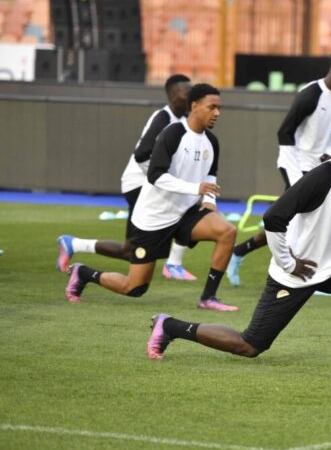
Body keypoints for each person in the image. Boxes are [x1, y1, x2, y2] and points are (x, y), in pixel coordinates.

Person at [146, 123, 331, 371]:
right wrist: (288, 262)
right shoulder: (322, 177)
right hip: (296, 273)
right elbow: (273, 218)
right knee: (250, 345)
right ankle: (170, 326)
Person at [64, 84, 238, 311]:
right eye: (212, 107)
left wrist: (209, 201)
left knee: (227, 232)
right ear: (194, 106)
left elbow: (211, 176)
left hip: (185, 213)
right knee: (134, 287)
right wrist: (196, 189)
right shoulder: (173, 133)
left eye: (219, 108)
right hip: (154, 218)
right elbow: (156, 175)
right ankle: (83, 273)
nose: (217, 113)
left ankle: (208, 298)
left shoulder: (212, 141)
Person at [226, 49, 331, 287]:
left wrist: (330, 157)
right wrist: (296, 176)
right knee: (303, 223)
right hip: (295, 165)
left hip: (321, 167)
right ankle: (303, 276)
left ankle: (239, 252)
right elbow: (285, 132)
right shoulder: (310, 95)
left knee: (302, 222)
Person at [57, 74, 198, 281]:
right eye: (187, 93)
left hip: (154, 185)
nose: (191, 98)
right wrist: (159, 177)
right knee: (182, 215)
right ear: (173, 95)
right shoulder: (163, 118)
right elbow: (141, 154)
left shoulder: (184, 121)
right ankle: (173, 265)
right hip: (139, 184)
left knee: (132, 249)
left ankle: (74, 244)